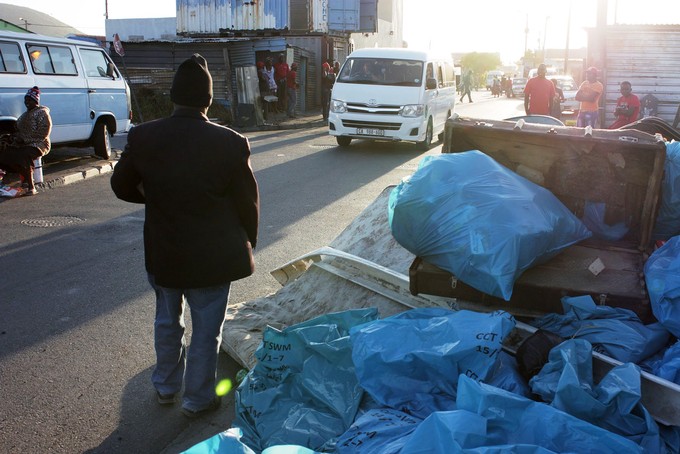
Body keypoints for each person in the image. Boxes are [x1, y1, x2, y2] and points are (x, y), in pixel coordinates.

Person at [110, 54, 260, 418]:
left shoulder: (145, 136)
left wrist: (152, 194)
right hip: (214, 258)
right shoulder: (230, 142)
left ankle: (165, 387)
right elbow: (247, 202)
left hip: (165, 253)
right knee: (207, 332)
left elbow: (121, 185)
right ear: (207, 100)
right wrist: (248, 241)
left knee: (167, 321)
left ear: (173, 96)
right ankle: (197, 400)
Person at [0, 86, 52, 196]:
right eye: (25, 100)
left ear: (35, 101)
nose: (26, 102)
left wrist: (24, 139)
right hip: (23, 143)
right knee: (5, 154)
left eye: (29, 100)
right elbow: (18, 131)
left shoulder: (42, 113)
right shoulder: (24, 115)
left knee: (23, 155)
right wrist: (12, 137)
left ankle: (31, 186)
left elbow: (44, 132)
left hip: (40, 144)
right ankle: (12, 181)